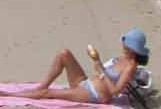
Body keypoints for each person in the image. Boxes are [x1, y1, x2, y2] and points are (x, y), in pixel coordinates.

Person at [9, 29, 149, 105]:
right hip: (85, 84)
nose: (122, 45)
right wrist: (97, 62)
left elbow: (115, 92)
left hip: (96, 94)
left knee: (49, 94)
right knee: (64, 54)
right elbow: (105, 74)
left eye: (125, 44)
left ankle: (3, 94)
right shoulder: (122, 58)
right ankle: (41, 86)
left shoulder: (130, 67)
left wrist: (101, 70)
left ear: (132, 48)